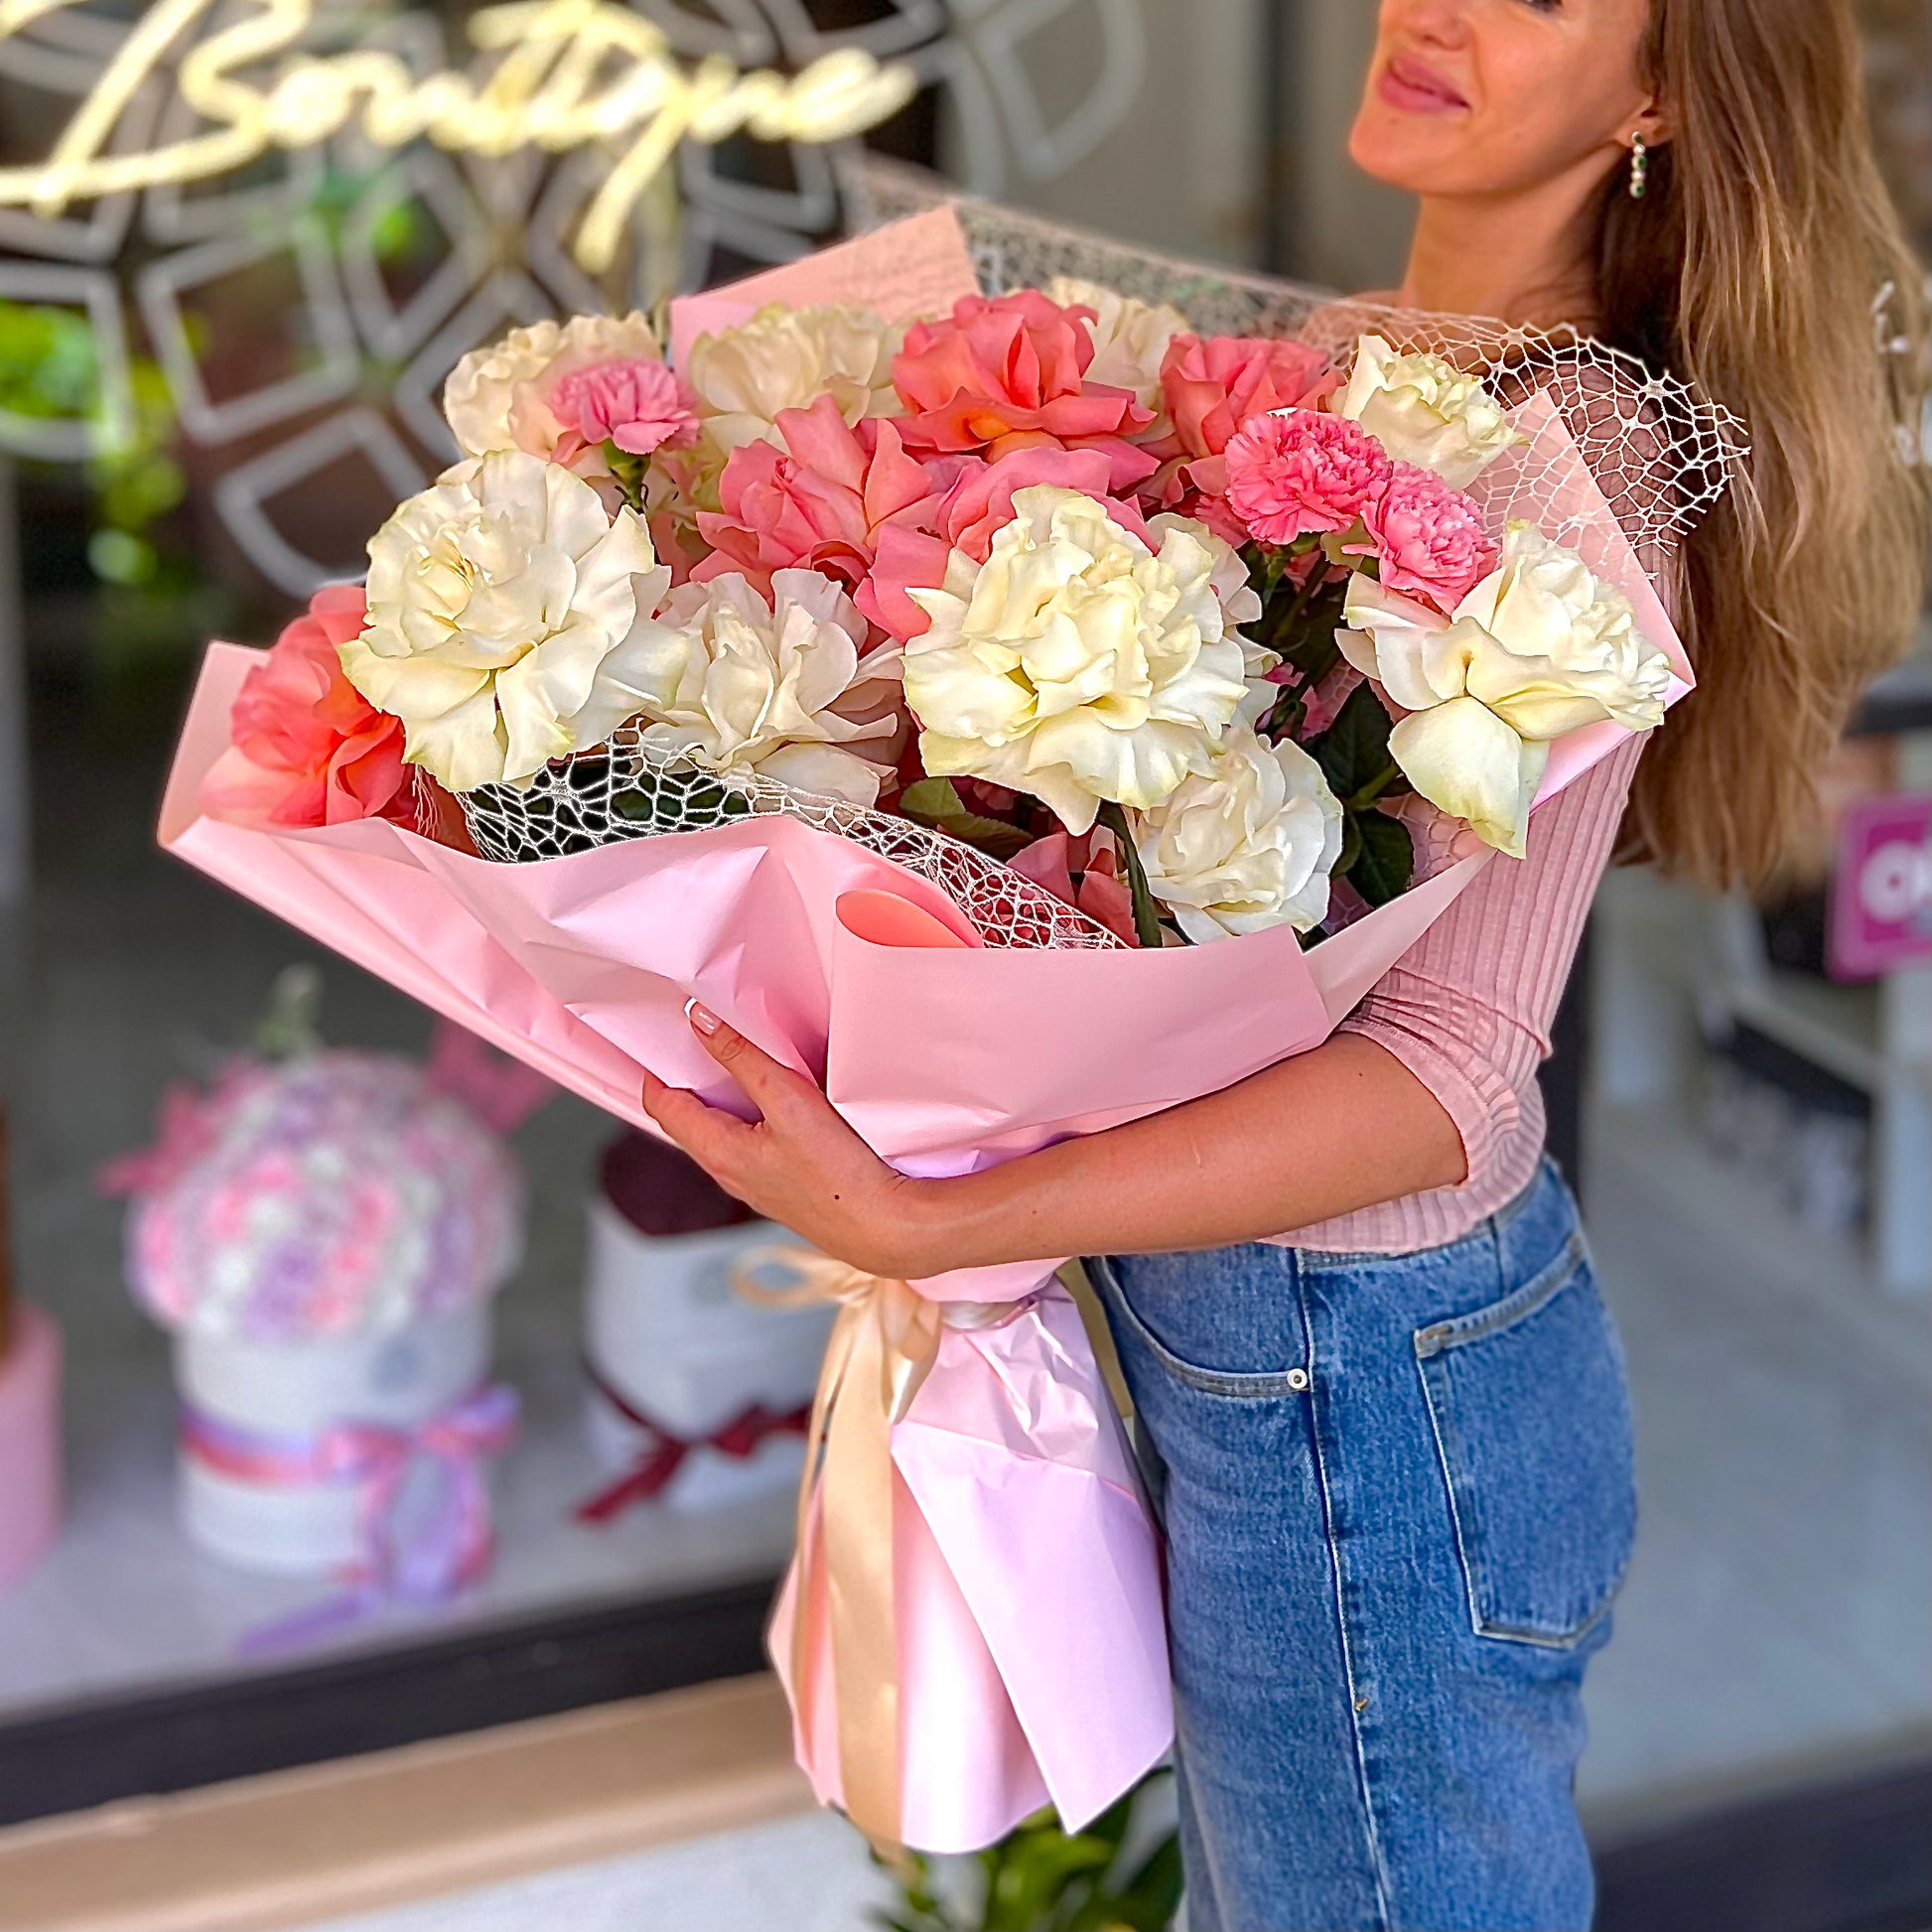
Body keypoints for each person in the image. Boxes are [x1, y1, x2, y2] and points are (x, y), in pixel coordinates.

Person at [641, 1, 1931, 1925]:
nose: (1437, 6)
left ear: (1659, 90)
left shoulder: (1577, 443)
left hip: (1365, 1391)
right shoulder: (1338, 355)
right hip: (1273, 1348)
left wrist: (941, 1218)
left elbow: (1454, 1076)